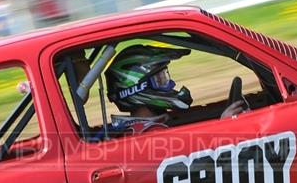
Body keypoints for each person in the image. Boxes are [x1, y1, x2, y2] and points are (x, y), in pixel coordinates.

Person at [104, 44, 247, 137]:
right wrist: (223, 128)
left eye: (166, 77)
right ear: (139, 88)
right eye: (161, 80)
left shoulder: (140, 128)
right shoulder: (150, 134)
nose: (171, 84)